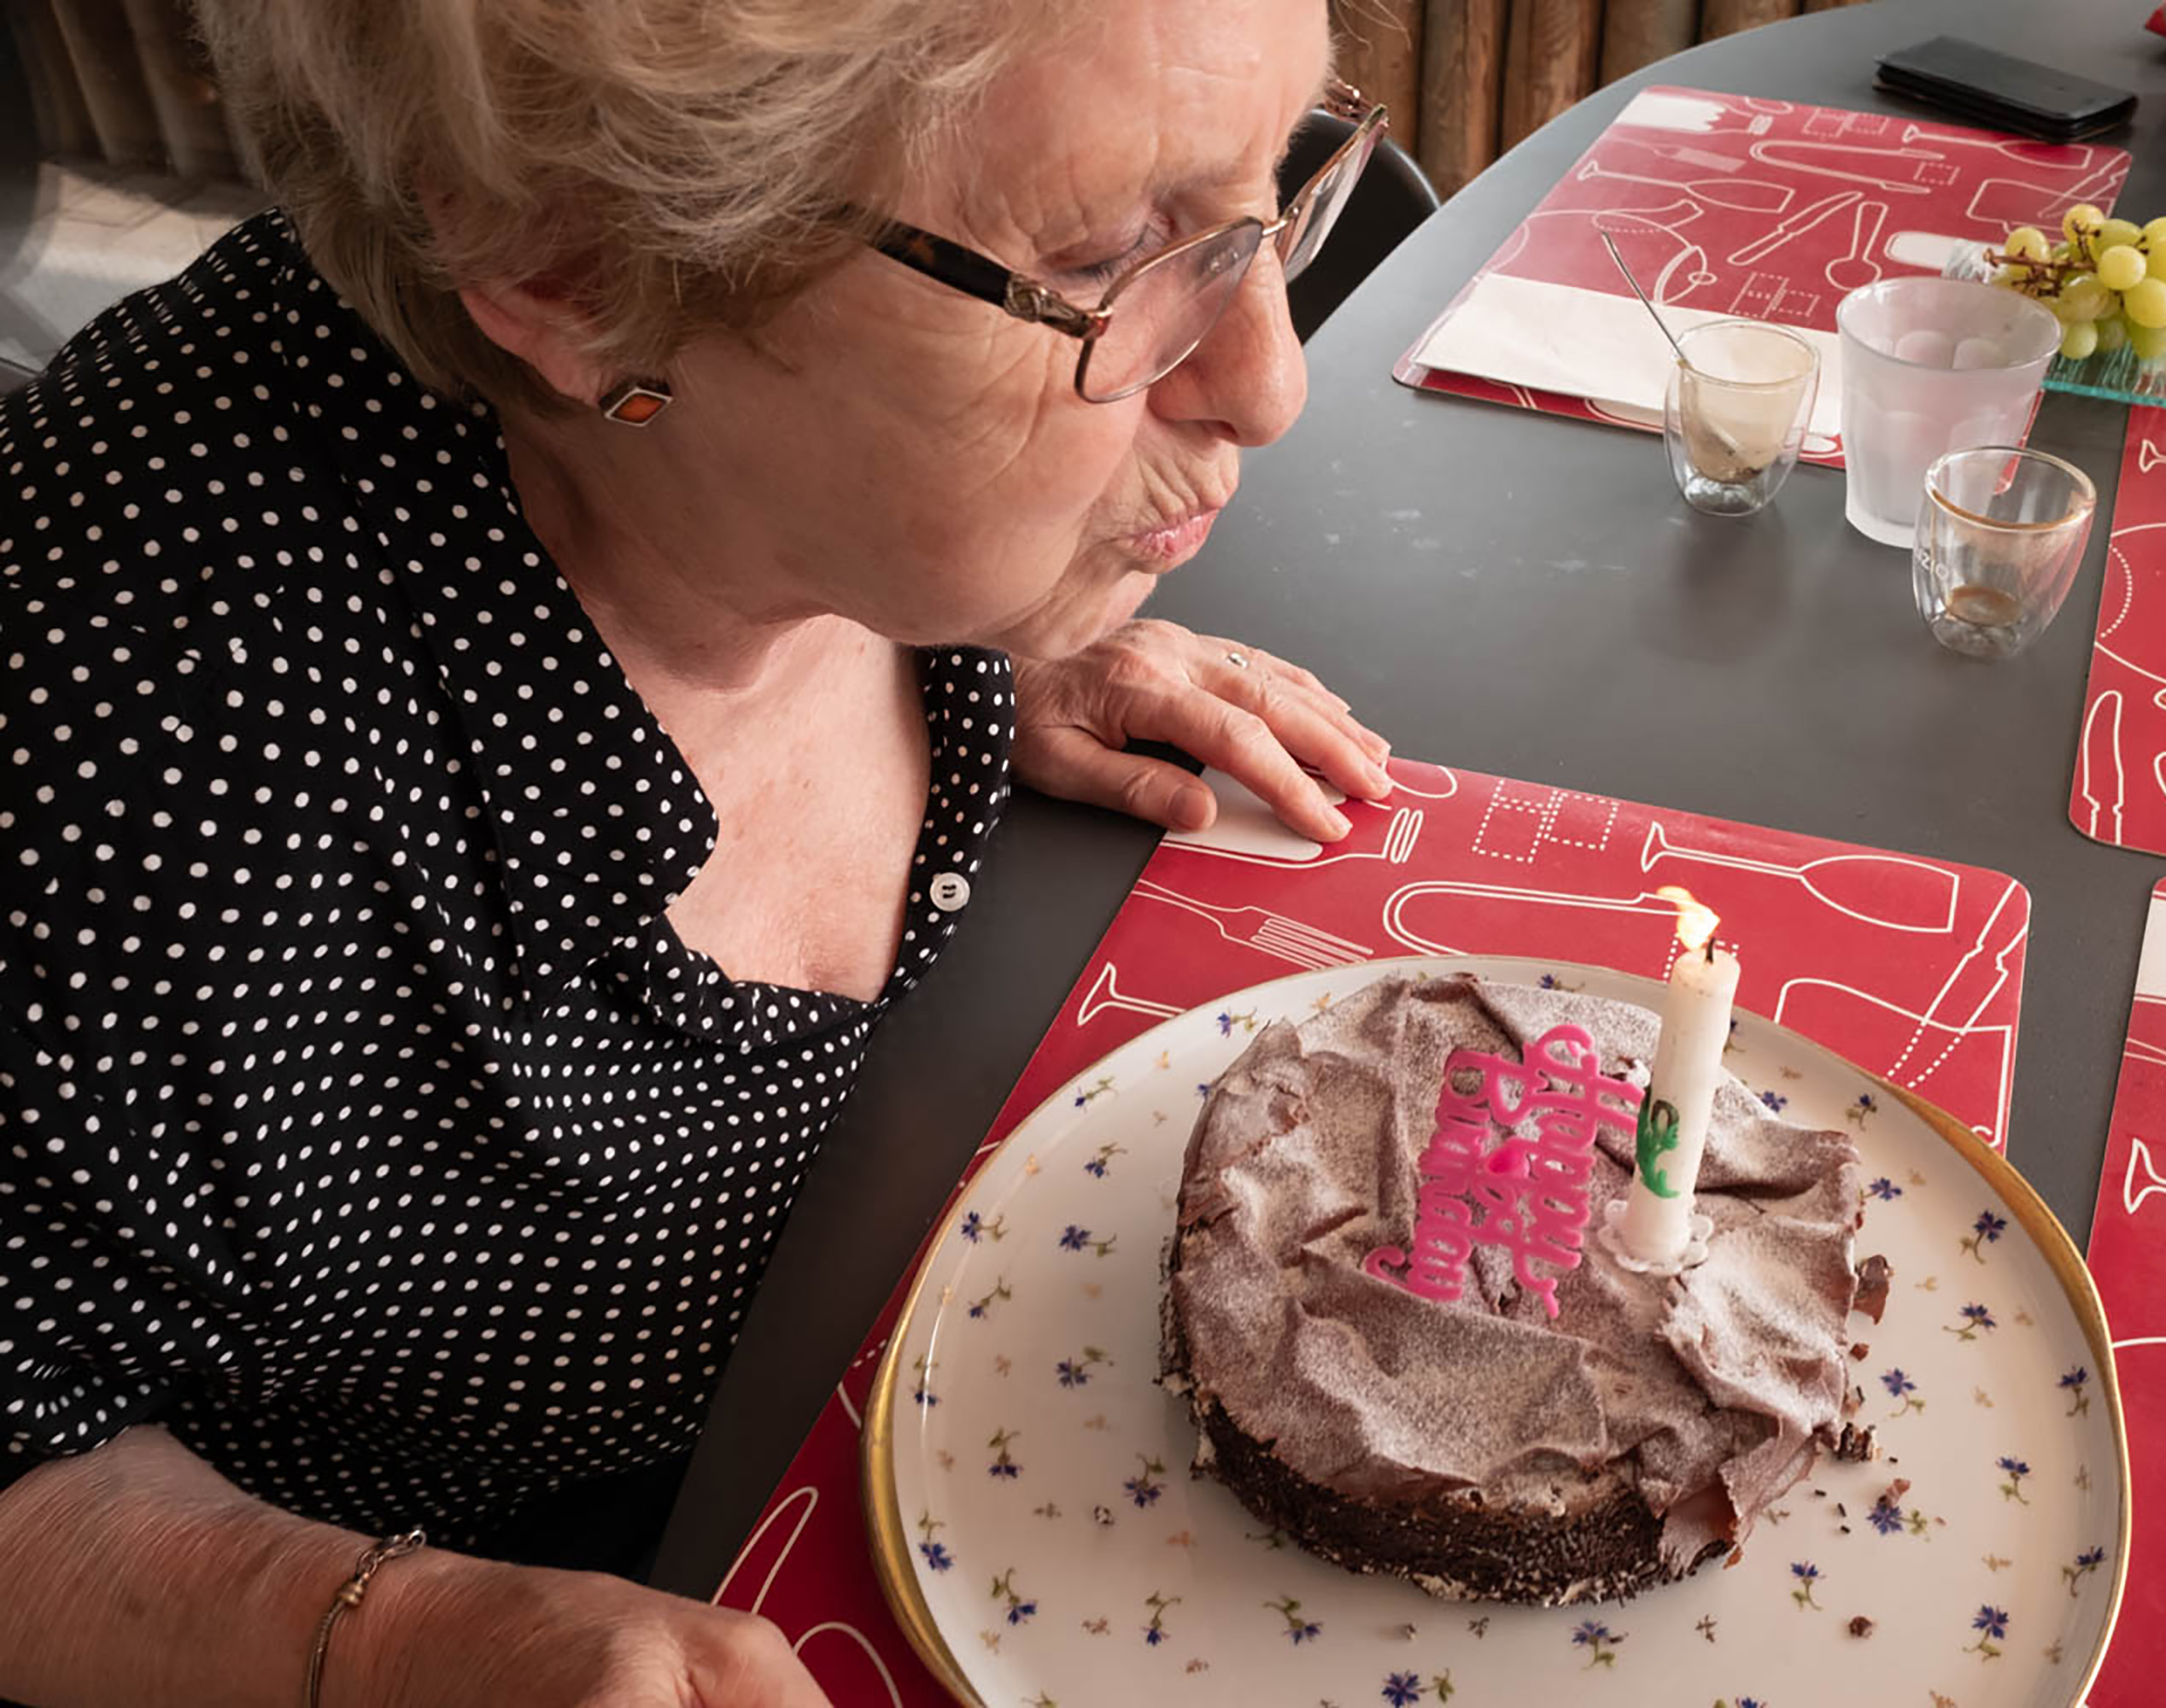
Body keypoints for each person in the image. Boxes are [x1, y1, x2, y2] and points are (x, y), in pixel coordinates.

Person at [0, 0, 1387, 1700]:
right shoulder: (135, 750)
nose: (1270, 382)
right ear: (577, 275)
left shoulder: (754, 456)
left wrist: (982, 624)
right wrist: (399, 1637)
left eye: (1277, 182)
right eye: (1109, 261)